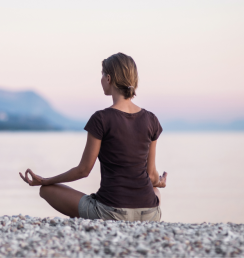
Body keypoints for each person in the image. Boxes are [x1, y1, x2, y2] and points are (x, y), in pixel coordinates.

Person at [19, 52, 168, 222]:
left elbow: (83, 170)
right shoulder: (151, 119)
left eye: (102, 75)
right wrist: (160, 181)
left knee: (46, 190)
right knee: (156, 191)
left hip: (111, 213)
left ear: (109, 78)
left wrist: (46, 181)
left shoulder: (101, 119)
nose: (101, 79)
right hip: (149, 213)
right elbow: (151, 176)